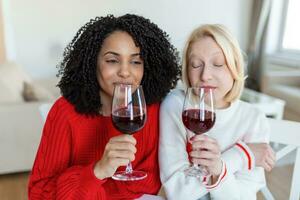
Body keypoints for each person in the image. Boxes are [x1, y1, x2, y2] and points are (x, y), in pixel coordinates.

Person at [28, 14, 180, 199]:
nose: (125, 72)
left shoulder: (155, 109)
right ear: (93, 63)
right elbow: (38, 193)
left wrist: (85, 189)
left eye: (135, 61)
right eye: (112, 60)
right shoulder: (64, 112)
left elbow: (153, 180)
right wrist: (97, 171)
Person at [159, 24, 276, 200]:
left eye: (218, 64)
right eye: (196, 65)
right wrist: (242, 155)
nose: (205, 75)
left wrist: (219, 168)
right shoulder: (176, 105)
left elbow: (243, 197)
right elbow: (178, 193)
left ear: (235, 68)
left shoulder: (254, 118)